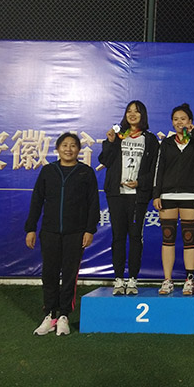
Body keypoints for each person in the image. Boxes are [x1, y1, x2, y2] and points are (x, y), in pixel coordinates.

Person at [25, 132, 100, 336]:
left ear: (79, 150)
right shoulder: (48, 171)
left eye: (73, 145)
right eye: (64, 145)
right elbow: (37, 200)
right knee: (49, 273)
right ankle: (49, 315)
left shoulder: (85, 172)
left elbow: (93, 203)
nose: (69, 149)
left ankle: (64, 315)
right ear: (57, 149)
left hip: (75, 233)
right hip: (49, 232)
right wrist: (31, 228)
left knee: (69, 275)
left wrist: (89, 230)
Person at [98, 100, 160, 296]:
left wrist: (140, 182)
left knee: (135, 237)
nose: (132, 114)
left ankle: (133, 279)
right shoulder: (118, 136)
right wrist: (110, 142)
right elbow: (105, 160)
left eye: (137, 111)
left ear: (143, 115)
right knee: (118, 236)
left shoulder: (150, 140)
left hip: (137, 196)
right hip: (116, 194)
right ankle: (118, 279)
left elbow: (155, 170)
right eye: (129, 111)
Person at [153, 103, 194, 295]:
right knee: (168, 238)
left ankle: (189, 280)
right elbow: (159, 169)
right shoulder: (167, 143)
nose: (179, 122)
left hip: (189, 195)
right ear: (172, 122)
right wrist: (156, 194)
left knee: (189, 238)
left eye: (183, 119)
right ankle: (167, 280)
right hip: (167, 195)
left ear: (190, 121)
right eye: (176, 119)